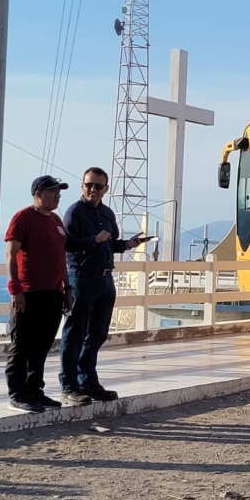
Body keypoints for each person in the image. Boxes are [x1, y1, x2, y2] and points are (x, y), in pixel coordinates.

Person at [60, 166, 151, 404]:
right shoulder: (74, 213)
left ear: (105, 189)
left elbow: (110, 245)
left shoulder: (108, 214)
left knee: (98, 333)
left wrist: (130, 244)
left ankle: (88, 381)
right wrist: (93, 240)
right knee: (75, 332)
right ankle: (69, 385)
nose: (93, 189)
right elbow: (67, 245)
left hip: (105, 278)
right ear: (82, 186)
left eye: (98, 186)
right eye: (89, 184)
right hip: (82, 276)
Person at [4, 175, 73, 413]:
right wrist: (15, 289)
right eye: (52, 191)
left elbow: (60, 257)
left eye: (59, 192)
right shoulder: (23, 217)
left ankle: (36, 390)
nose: (57, 196)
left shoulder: (55, 221)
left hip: (53, 293)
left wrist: (66, 288)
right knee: (22, 344)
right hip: (29, 293)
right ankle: (17, 393)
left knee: (42, 345)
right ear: (38, 194)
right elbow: (11, 255)